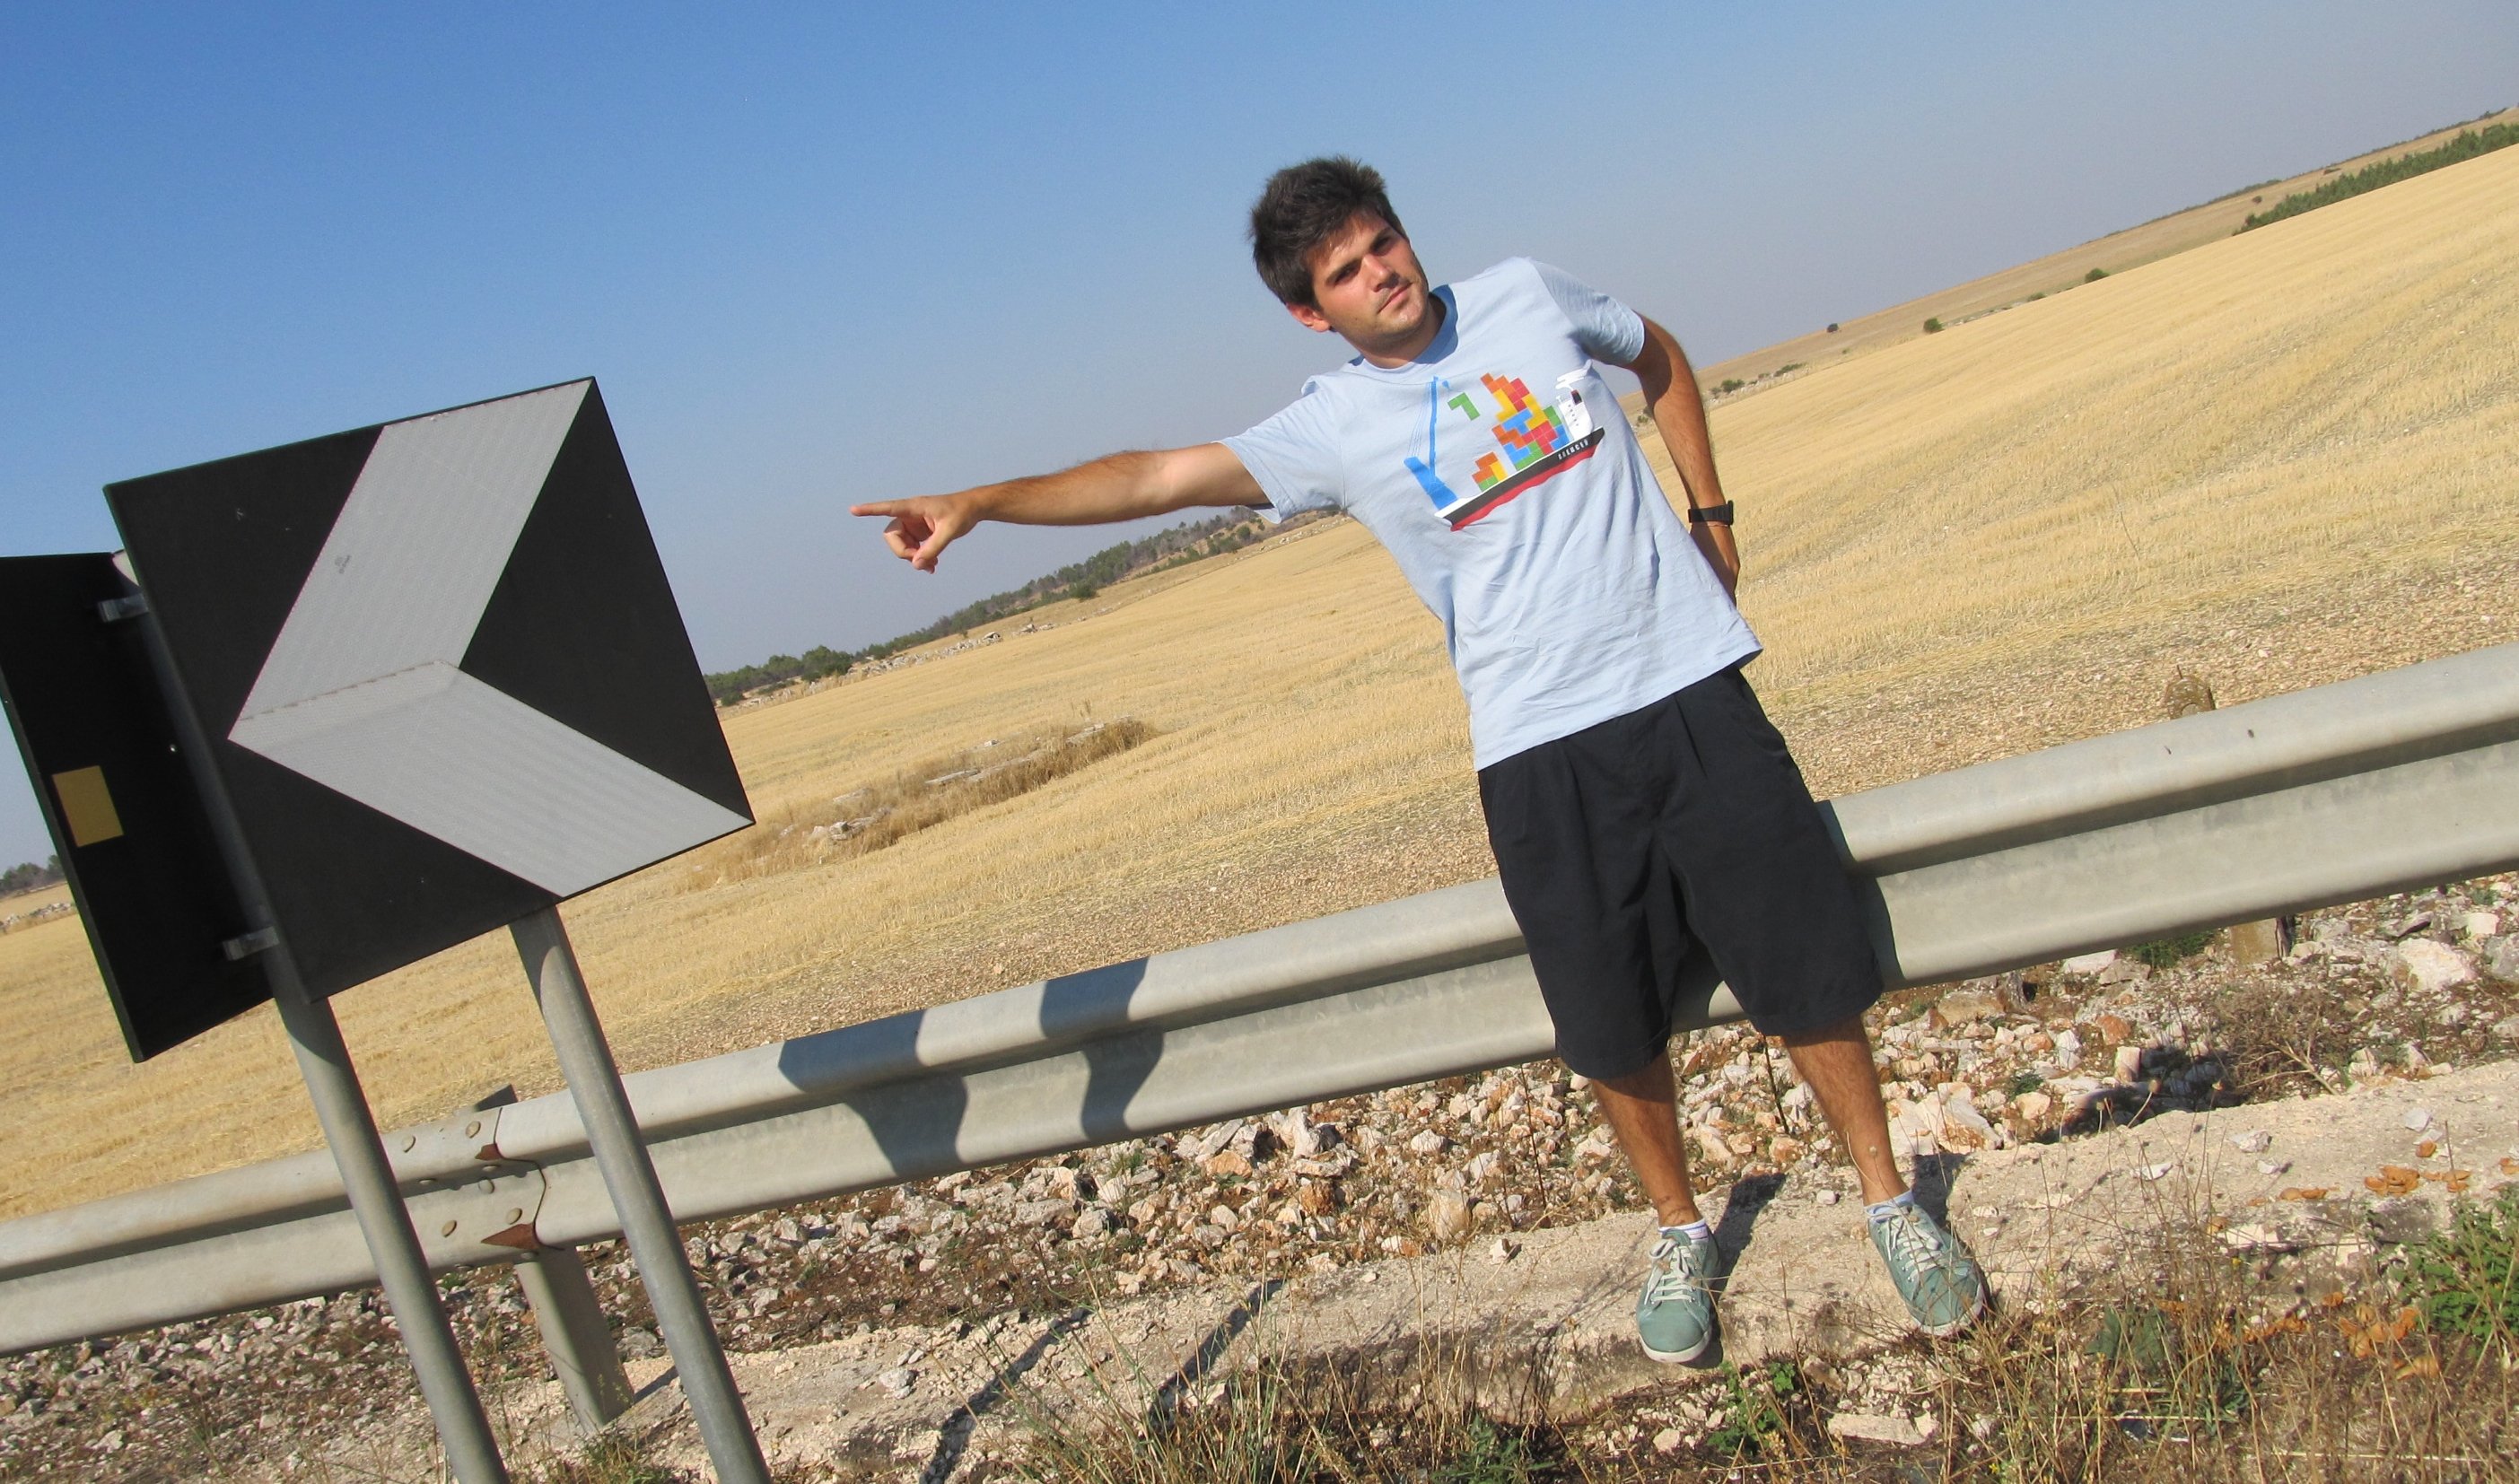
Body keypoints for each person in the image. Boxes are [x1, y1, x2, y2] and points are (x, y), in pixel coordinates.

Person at [852, 157, 1985, 1360]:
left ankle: (1887, 1201)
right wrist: (981, 500)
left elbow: (1659, 357)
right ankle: (1677, 1228)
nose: (1381, 272)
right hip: (1537, 748)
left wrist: (1712, 517)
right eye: (1345, 269)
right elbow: (1151, 475)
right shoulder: (1333, 426)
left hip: (1688, 686)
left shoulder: (1526, 295)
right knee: (1609, 1021)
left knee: (1803, 963)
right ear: (1311, 309)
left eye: (1382, 242)